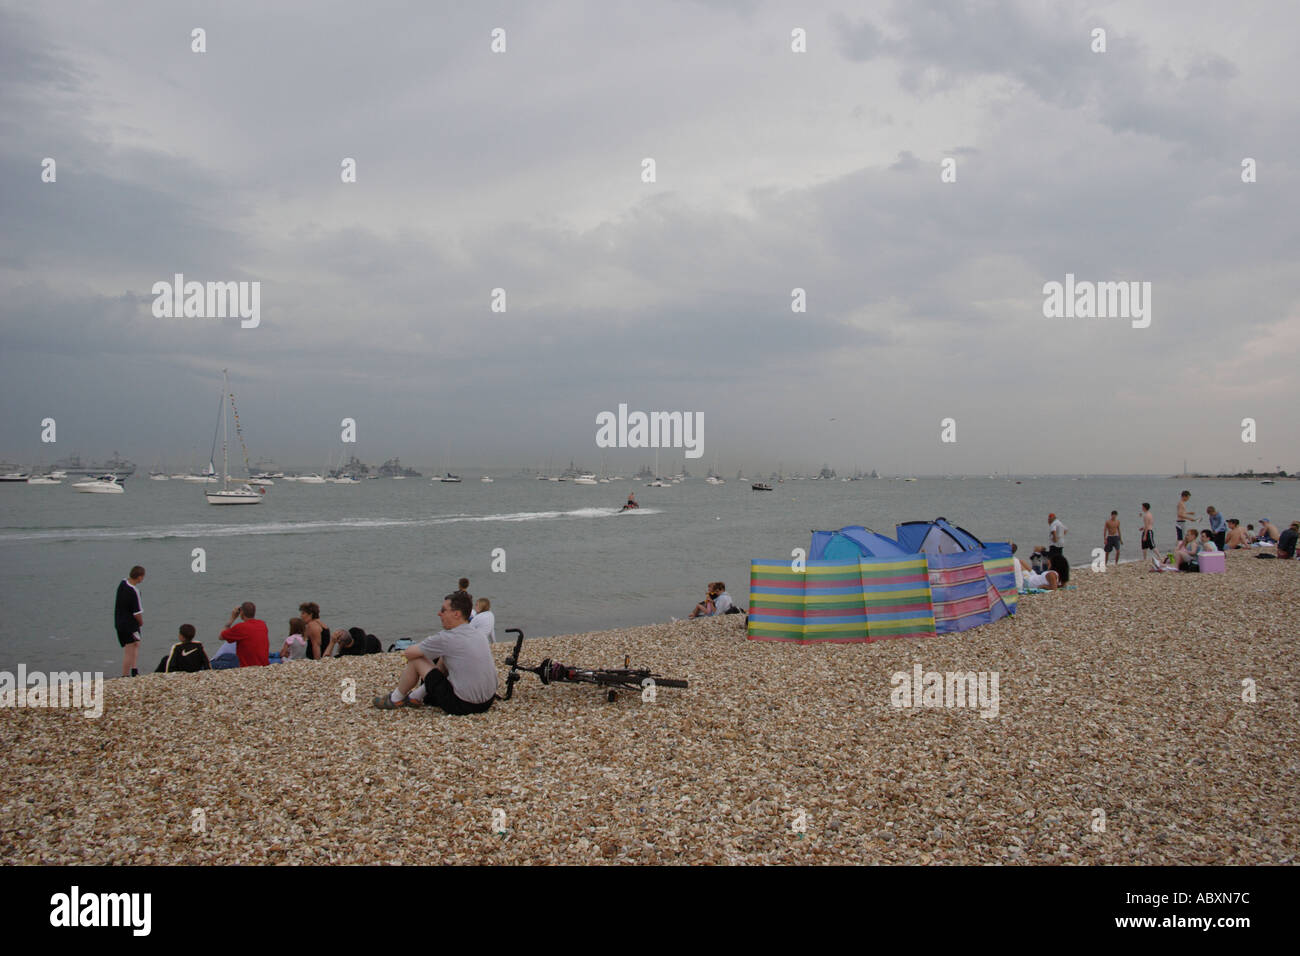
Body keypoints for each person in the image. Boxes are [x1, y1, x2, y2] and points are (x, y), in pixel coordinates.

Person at [373, 592, 497, 714]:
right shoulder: (478, 634)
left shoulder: (447, 638)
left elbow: (408, 653)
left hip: (463, 704)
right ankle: (415, 697)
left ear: (456, 614)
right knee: (445, 657)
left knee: (416, 659)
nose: (439, 614)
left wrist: (424, 647)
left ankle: (395, 699)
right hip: (487, 702)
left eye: (443, 610)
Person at [115, 565, 146, 677]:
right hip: (130, 624)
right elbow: (137, 612)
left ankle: (134, 669)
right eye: (142, 577)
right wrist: (141, 622)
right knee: (129, 649)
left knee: (137, 643)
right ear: (139, 577)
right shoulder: (134, 591)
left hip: (119, 621)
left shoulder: (123, 583)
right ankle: (125, 675)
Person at [219, 602, 270, 667]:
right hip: (263, 665)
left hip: (247, 666)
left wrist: (232, 618)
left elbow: (221, 636)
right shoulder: (262, 624)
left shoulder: (240, 627)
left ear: (242, 613)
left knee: (220, 659)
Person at [1047, 513, 1069, 585]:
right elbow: (1066, 529)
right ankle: (1060, 578)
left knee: (1052, 561)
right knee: (1060, 560)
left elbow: (1053, 531)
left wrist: (1055, 538)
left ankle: (1053, 577)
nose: (1048, 520)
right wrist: (1061, 536)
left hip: (1054, 545)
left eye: (1048, 519)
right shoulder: (1059, 522)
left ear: (1050, 518)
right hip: (1061, 544)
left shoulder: (1053, 523)